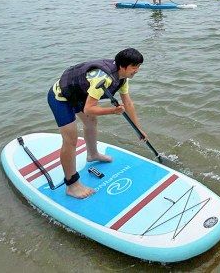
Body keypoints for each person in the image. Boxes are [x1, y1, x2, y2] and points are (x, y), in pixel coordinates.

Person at [47, 48, 146, 199]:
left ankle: (92, 155)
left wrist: (139, 130)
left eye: (138, 66)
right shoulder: (104, 79)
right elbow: (89, 109)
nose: (137, 70)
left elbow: (128, 103)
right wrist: (113, 111)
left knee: (91, 122)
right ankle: (72, 185)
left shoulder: (122, 78)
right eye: (134, 67)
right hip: (60, 98)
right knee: (71, 140)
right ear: (122, 66)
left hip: (78, 95)